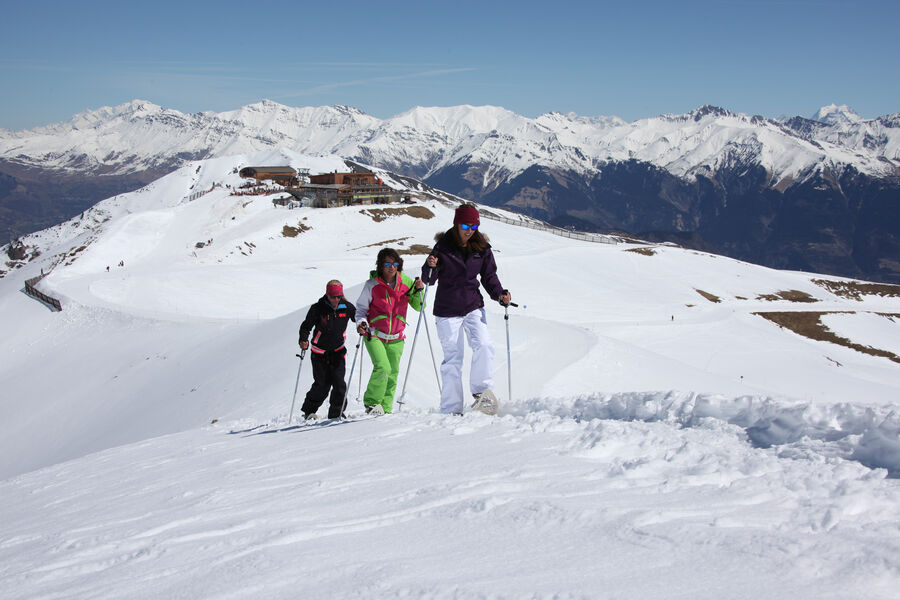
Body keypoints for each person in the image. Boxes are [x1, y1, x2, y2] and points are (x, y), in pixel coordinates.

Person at [423, 203, 511, 415]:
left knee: (484, 345)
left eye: (474, 225)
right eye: (465, 224)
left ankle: (481, 394)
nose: (469, 229)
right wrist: (430, 266)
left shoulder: (482, 248)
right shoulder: (442, 248)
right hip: (447, 309)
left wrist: (499, 294)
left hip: (472, 304)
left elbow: (489, 277)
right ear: (456, 224)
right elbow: (429, 280)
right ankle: (451, 408)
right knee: (453, 358)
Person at [355, 248, 425, 415]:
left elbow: (419, 307)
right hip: (374, 334)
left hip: (396, 338)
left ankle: (385, 410)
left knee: (392, 375)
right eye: (387, 264)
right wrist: (361, 323)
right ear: (380, 265)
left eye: (394, 264)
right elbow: (361, 309)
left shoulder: (406, 282)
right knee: (383, 368)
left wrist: (419, 291)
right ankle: (372, 403)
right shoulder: (372, 285)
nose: (391, 267)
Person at [298, 280, 356, 420]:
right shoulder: (318, 308)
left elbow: (358, 318)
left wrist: (363, 326)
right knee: (322, 385)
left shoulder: (346, 307)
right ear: (327, 294)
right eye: (333, 296)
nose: (336, 299)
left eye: (338, 296)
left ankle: (336, 413)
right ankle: (309, 412)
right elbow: (306, 326)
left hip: (338, 351)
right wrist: (303, 339)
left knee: (339, 383)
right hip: (319, 353)